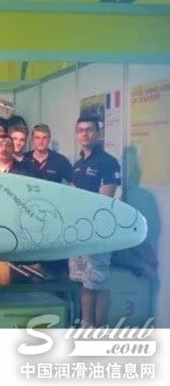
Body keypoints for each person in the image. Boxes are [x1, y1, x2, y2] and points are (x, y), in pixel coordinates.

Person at [70, 116, 121, 328]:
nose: (85, 133)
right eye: (81, 130)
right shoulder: (78, 164)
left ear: (98, 134)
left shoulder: (108, 162)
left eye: (89, 129)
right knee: (84, 282)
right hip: (79, 230)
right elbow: (72, 197)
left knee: (98, 283)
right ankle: (86, 326)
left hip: (98, 231)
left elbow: (104, 200)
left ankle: (100, 331)